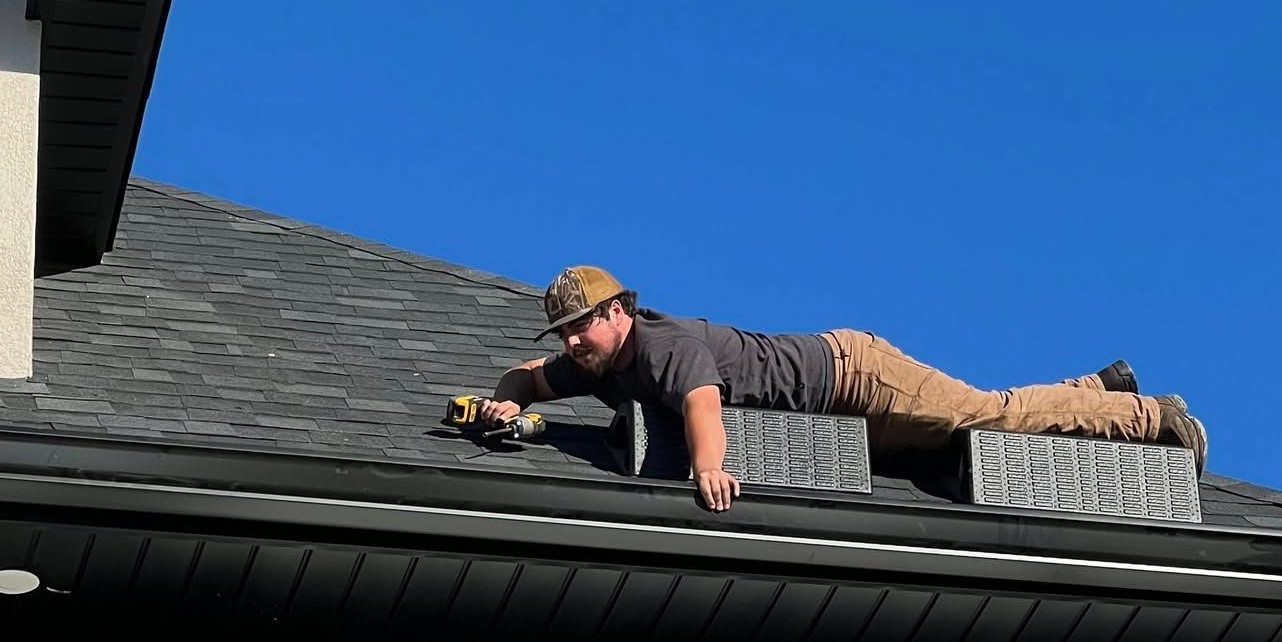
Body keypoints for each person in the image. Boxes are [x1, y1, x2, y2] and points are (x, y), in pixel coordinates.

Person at [480, 265, 1207, 513]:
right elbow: (531, 376)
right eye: (566, 332)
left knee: (988, 420)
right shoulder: (597, 363)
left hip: (858, 378)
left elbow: (701, 400)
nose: (573, 342)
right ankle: (1097, 387)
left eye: (583, 326)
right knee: (972, 438)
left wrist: (708, 469)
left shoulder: (659, 345)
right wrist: (506, 399)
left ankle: (1151, 417)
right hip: (842, 416)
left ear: (618, 312)